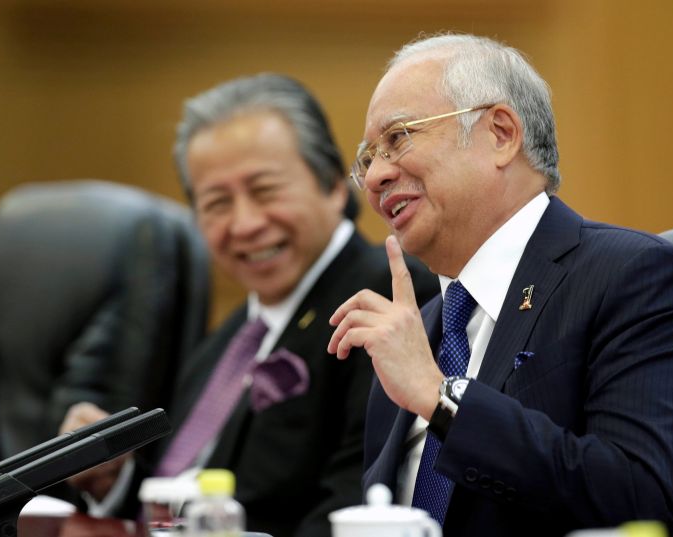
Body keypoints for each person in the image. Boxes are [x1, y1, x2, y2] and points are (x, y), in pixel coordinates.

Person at [328, 34, 673, 536]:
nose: (378, 174)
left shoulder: (634, 278)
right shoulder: (415, 333)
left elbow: (638, 496)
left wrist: (441, 397)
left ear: (500, 133)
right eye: (367, 159)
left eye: (399, 137)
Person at [60, 73, 439, 537]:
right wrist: (113, 480)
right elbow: (196, 494)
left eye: (265, 191)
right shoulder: (231, 334)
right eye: (217, 202)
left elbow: (353, 507)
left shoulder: (390, 301)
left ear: (334, 185)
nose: (244, 224)